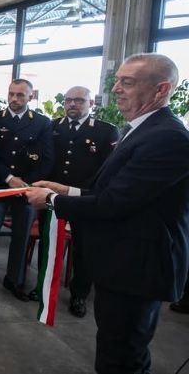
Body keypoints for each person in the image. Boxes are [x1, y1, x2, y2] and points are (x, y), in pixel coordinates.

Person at [25, 53, 189, 374]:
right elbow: (110, 193)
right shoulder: (139, 129)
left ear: (161, 89)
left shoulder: (168, 137)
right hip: (121, 264)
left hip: (138, 268)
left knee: (122, 357)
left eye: (127, 82)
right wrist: (64, 190)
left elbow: (114, 204)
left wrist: (51, 201)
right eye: (117, 81)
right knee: (113, 347)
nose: (116, 90)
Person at [0, 79, 54, 302]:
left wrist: (26, 183)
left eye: (20, 95)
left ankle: (15, 279)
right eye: (11, 94)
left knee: (21, 235)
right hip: (0, 186)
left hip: (28, 190)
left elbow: (47, 160)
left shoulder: (41, 123)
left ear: (30, 96)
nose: (14, 99)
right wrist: (9, 178)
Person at [46, 86, 118, 318]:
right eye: (68, 101)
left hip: (84, 198)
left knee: (83, 251)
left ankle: (79, 294)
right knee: (51, 244)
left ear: (90, 103)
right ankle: (45, 287)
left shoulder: (106, 131)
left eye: (78, 100)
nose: (72, 105)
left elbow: (108, 170)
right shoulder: (54, 126)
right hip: (54, 196)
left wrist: (82, 192)